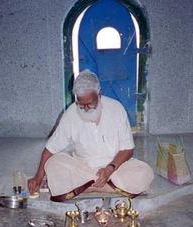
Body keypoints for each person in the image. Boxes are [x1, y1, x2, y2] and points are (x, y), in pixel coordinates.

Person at [28, 70, 154, 202]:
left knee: (144, 172)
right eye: (81, 104)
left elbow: (128, 149)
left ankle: (85, 188)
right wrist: (38, 176)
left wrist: (109, 169)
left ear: (100, 94)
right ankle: (107, 187)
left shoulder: (116, 109)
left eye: (90, 103)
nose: (86, 108)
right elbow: (51, 148)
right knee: (53, 163)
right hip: (82, 168)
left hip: (115, 169)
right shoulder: (71, 114)